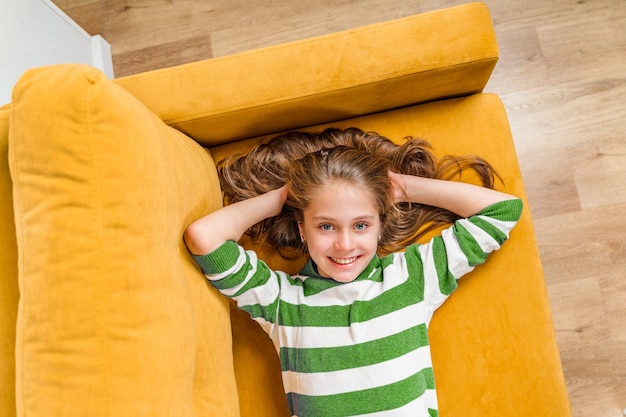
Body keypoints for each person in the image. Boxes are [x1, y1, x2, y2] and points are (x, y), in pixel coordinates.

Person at [184, 128, 523, 417]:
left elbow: (502, 211)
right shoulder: (282, 302)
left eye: (360, 225)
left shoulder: (413, 277)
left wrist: (402, 187)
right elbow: (204, 238)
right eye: (326, 226)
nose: (345, 245)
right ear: (303, 229)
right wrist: (282, 199)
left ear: (380, 224)